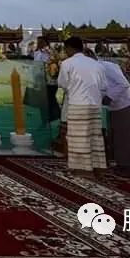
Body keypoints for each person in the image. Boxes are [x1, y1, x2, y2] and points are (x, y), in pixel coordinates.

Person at [57, 36, 107, 175]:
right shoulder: (96, 64)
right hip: (95, 104)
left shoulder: (67, 63)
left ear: (69, 48)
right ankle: (98, 166)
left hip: (78, 103)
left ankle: (82, 168)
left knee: (78, 137)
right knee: (94, 136)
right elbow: (104, 87)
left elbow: (62, 84)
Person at [90, 49, 130, 177]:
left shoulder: (107, 67)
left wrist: (109, 97)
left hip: (124, 105)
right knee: (117, 136)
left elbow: (123, 84)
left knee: (125, 136)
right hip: (113, 107)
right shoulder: (94, 70)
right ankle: (121, 163)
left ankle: (129, 165)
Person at [32, 36, 61, 122]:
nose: (39, 44)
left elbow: (55, 62)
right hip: (40, 79)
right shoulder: (36, 53)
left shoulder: (51, 52)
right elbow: (35, 66)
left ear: (46, 42)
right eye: (38, 42)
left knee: (51, 98)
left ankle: (55, 116)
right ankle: (45, 118)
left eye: (41, 42)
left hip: (50, 80)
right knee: (42, 100)